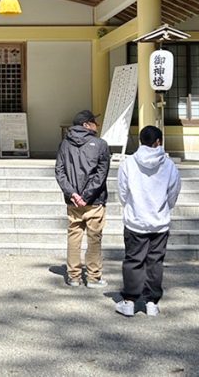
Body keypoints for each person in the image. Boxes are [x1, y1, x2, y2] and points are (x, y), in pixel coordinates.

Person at [115, 125, 182, 317]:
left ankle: (129, 301)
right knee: (155, 262)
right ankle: (152, 302)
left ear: (140, 141)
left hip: (136, 219)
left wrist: (130, 206)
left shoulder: (129, 163)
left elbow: (122, 190)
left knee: (133, 260)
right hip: (159, 221)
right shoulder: (169, 165)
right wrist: (165, 208)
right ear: (158, 142)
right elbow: (173, 191)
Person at [54, 109, 111, 288]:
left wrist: (73, 194)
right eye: (94, 122)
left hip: (73, 201)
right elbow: (102, 174)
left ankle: (74, 277)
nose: (97, 126)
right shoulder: (101, 144)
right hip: (94, 201)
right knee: (94, 238)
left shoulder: (64, 144)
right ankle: (94, 277)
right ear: (86, 124)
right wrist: (86, 196)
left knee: (74, 236)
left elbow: (59, 172)